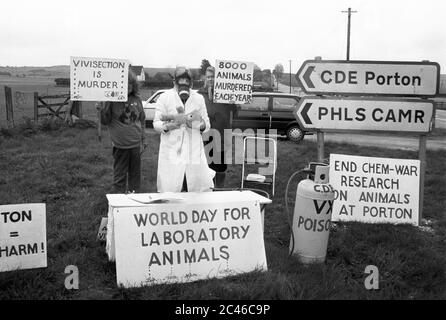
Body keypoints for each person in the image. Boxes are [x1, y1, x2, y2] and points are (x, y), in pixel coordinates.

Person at [153, 66, 214, 192]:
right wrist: (166, 127)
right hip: (171, 148)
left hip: (194, 149)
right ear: (174, 82)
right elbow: (156, 123)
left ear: (191, 83)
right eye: (181, 82)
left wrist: (198, 124)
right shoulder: (165, 97)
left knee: (196, 189)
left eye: (187, 82)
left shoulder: (199, 98)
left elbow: (207, 125)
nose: (184, 85)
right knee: (171, 189)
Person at [98, 70, 145, 193]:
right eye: (123, 84)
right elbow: (105, 121)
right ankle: (119, 201)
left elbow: (142, 120)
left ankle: (134, 200)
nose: (127, 87)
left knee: (135, 175)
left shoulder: (137, 99)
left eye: (130, 84)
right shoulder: (111, 101)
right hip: (120, 147)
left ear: (134, 85)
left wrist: (143, 140)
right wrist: (101, 109)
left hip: (135, 146)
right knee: (120, 176)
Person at [199, 66, 237, 188]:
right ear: (205, 78)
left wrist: (233, 102)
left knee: (220, 166)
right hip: (205, 136)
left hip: (221, 136)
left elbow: (235, 113)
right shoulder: (200, 94)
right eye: (208, 76)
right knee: (206, 166)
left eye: (213, 76)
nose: (210, 79)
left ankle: (219, 190)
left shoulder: (225, 95)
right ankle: (207, 189)